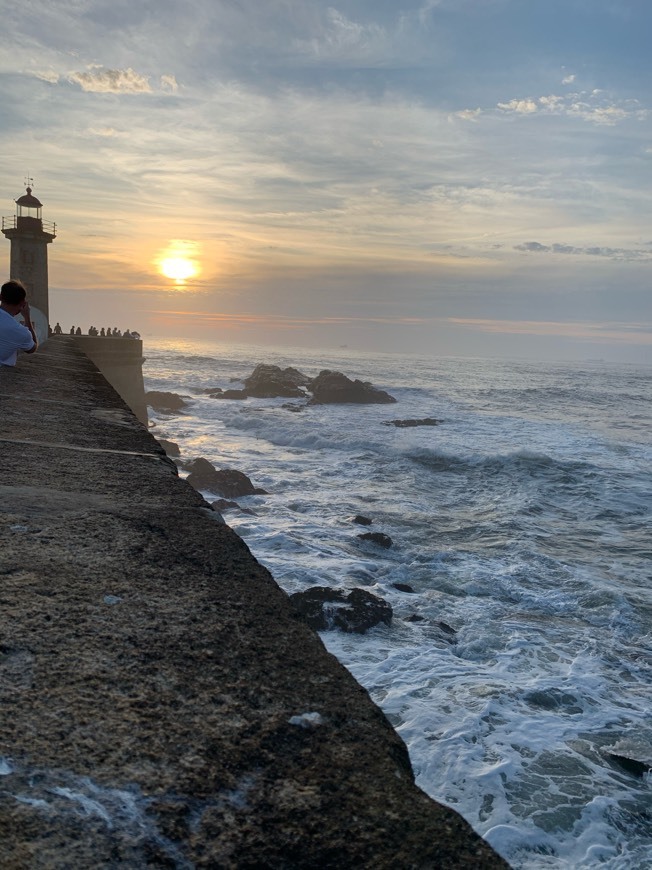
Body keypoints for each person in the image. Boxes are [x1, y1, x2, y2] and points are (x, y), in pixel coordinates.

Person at [0, 280, 38, 366]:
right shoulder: (20, 331)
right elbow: (33, 348)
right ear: (22, 303)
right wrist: (27, 317)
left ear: (0, 297)